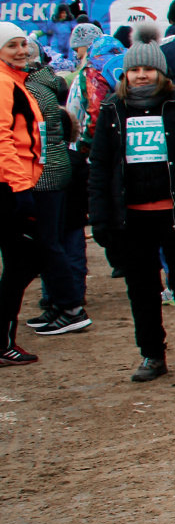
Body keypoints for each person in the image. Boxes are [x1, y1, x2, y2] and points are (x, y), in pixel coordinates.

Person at [89, 42, 175, 381]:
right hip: (131, 217)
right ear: (125, 74)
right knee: (141, 289)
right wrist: (100, 217)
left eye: (148, 69)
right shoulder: (113, 108)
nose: (141, 75)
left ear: (161, 71)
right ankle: (152, 355)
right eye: (134, 70)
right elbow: (99, 165)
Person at [21, 50, 88, 336]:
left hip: (43, 175)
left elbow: (35, 136)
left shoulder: (32, 89)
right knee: (49, 243)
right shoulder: (35, 85)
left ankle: (71, 307)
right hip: (45, 172)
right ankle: (62, 305)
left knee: (50, 243)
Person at [0, 22, 47, 366]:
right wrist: (20, 188)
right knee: (24, 260)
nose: (21, 50)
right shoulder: (4, 83)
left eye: (23, 43)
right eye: (11, 46)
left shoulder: (16, 81)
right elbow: (2, 138)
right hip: (10, 187)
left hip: (18, 184)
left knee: (24, 261)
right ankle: (3, 342)